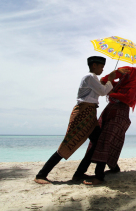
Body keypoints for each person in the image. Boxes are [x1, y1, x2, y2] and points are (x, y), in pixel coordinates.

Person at [34, 56, 124, 184]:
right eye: (101, 66)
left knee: (98, 142)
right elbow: (103, 92)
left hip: (90, 113)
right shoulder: (90, 77)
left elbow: (99, 91)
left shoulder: (93, 79)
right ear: (94, 65)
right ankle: (41, 174)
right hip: (83, 113)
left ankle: (79, 173)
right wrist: (109, 80)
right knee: (69, 143)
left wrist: (106, 82)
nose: (103, 69)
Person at [77, 66, 136, 185]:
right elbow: (104, 81)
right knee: (98, 141)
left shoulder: (132, 86)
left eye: (126, 73)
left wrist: (113, 93)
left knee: (106, 140)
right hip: (109, 111)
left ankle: (99, 176)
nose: (124, 75)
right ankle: (84, 171)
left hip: (119, 115)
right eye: (123, 73)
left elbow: (128, 98)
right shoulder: (118, 83)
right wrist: (115, 73)